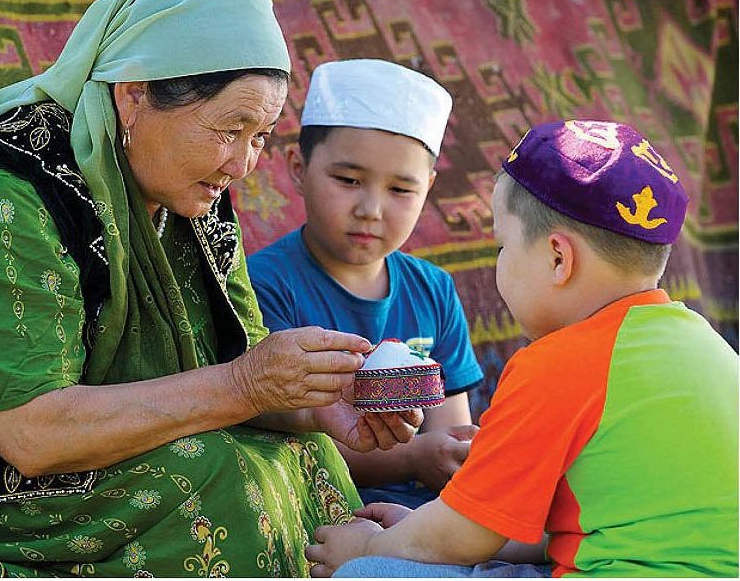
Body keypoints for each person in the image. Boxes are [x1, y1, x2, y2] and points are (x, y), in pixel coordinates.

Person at [0, 0, 424, 577]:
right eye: (228, 129)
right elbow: (33, 435)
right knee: (217, 476)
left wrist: (317, 403)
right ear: (133, 96)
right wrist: (247, 385)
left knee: (303, 452)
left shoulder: (191, 192)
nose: (242, 165)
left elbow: (241, 369)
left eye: (260, 137)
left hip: (63, 453)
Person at [306, 120, 739, 577]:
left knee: (369, 574)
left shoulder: (559, 363)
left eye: (502, 246)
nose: (500, 263)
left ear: (558, 258)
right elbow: (575, 525)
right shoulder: (704, 343)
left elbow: (463, 534)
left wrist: (371, 546)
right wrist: (417, 532)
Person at [248, 59, 484, 509]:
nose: (371, 209)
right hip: (314, 509)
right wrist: (412, 458)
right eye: (349, 180)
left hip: (422, 517)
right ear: (297, 166)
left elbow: (448, 429)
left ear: (428, 188)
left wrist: (450, 457)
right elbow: (291, 440)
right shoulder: (265, 285)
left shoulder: (433, 290)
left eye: (400, 190)